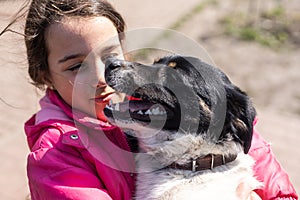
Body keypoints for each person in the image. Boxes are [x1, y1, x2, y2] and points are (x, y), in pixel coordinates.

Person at [1, 0, 297, 199]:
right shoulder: (55, 155)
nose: (102, 76)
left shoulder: (195, 116)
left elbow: (283, 192)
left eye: (110, 55)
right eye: (76, 66)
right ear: (45, 75)